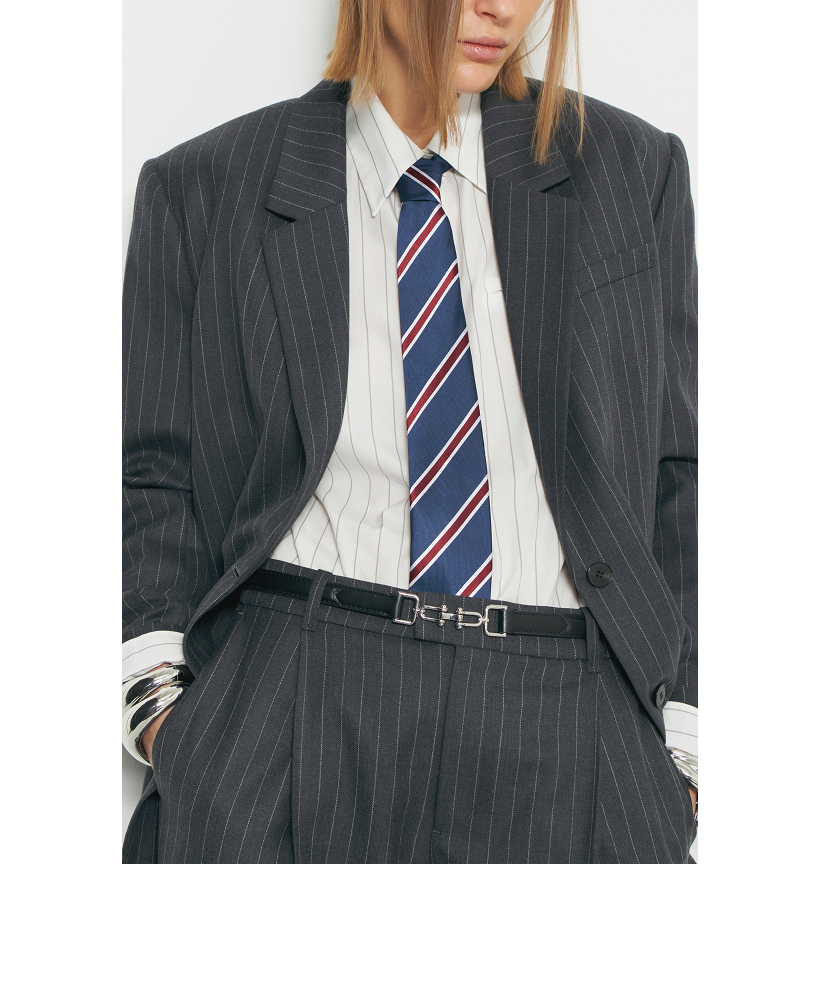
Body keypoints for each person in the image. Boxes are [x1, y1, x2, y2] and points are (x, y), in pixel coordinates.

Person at [122, 0, 697, 863]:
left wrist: (685, 748)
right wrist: (160, 708)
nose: (503, 7)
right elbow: (151, 471)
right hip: (299, 699)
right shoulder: (206, 186)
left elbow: (681, 469)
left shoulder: (631, 173)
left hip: (567, 717)